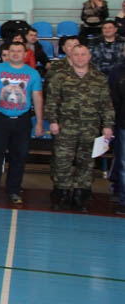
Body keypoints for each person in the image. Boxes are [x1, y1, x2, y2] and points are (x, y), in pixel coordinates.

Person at [45, 44, 114, 212]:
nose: (80, 57)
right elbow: (52, 101)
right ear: (70, 56)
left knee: (86, 162)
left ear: (89, 56)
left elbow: (106, 105)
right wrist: (52, 121)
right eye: (76, 54)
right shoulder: (60, 77)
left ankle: (79, 196)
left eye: (83, 54)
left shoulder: (99, 78)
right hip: (65, 127)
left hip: (90, 128)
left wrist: (108, 126)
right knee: (62, 161)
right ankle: (63, 194)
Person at [0, 42, 43, 207]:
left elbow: (37, 98)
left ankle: (14, 190)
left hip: (22, 120)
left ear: (25, 54)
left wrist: (39, 122)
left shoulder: (33, 74)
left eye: (19, 51)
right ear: (8, 52)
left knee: (19, 157)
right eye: (12, 51)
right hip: (0, 119)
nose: (15, 54)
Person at [108, 61, 125, 214]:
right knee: (124, 165)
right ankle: (124, 200)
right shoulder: (117, 71)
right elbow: (114, 99)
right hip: (123, 124)